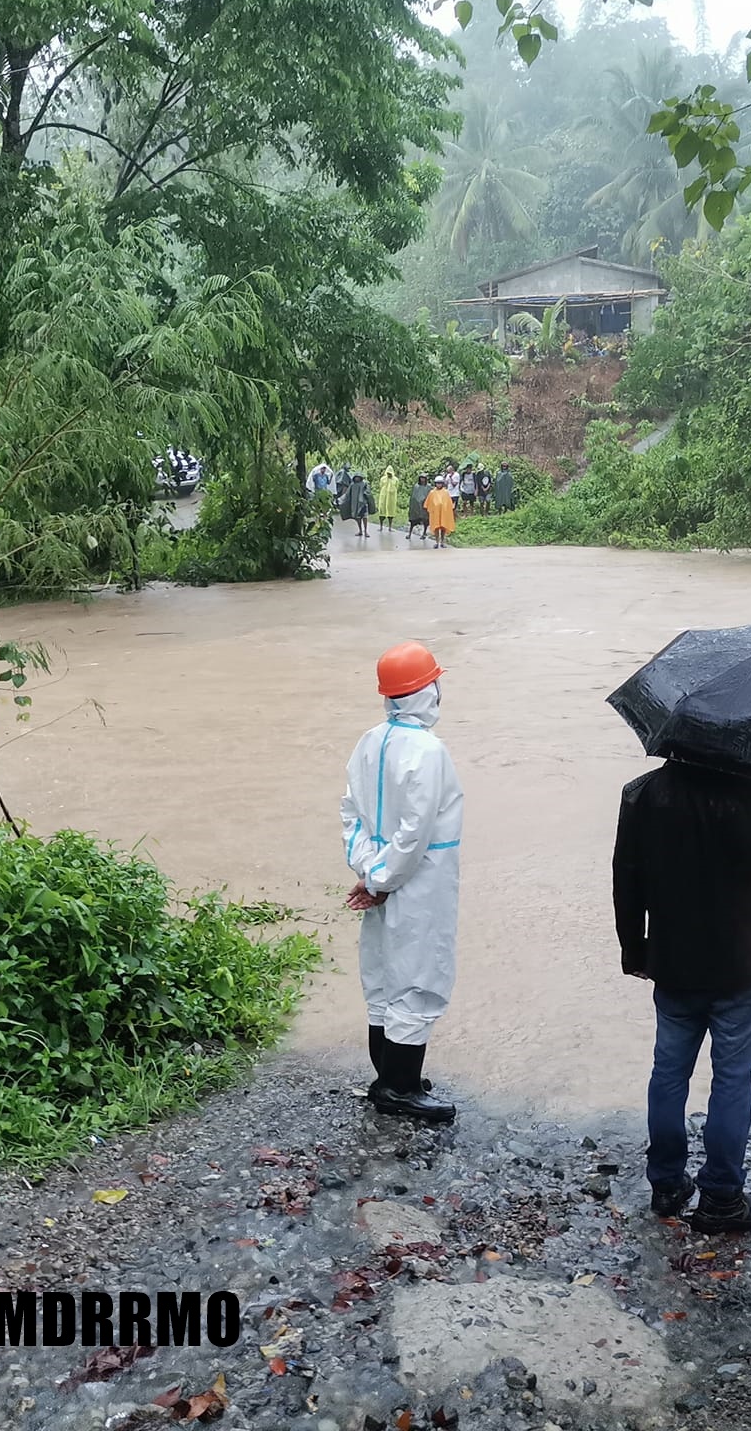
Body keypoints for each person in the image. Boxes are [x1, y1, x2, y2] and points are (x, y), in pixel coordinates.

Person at [613, 758, 751, 1233]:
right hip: (742, 968)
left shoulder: (641, 794)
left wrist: (634, 949)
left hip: (674, 965)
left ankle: (666, 1184)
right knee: (733, 1080)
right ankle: (721, 1198)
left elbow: (626, 878)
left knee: (669, 1073)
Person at [339, 642, 463, 1123]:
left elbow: (350, 813)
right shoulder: (429, 751)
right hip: (418, 884)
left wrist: (368, 872)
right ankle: (400, 1089)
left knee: (383, 974)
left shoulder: (368, 741)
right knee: (418, 979)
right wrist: (386, 880)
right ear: (424, 691)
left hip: (380, 876)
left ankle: (389, 1075)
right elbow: (415, 831)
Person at [425, 475, 456, 550]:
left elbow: (449, 504)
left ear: (442, 484)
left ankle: (442, 542)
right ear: (435, 484)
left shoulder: (446, 492)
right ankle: (436, 542)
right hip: (435, 513)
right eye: (437, 483)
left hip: (443, 513)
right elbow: (428, 504)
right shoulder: (432, 492)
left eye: (440, 483)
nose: (439, 485)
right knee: (436, 528)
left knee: (443, 527)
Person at [376, 467, 404, 532]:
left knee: (391, 513)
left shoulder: (395, 480)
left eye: (390, 473)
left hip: (391, 498)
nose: (389, 474)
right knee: (382, 512)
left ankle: (390, 527)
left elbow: (397, 487)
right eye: (388, 473)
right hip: (383, 497)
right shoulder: (383, 479)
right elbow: (380, 486)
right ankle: (381, 527)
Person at [408, 473, 432, 544]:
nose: (422, 479)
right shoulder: (416, 486)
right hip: (416, 507)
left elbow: (430, 496)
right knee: (413, 520)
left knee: (425, 521)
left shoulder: (428, 487)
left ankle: (424, 533)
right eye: (421, 478)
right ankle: (409, 534)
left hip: (424, 506)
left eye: (424, 478)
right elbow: (413, 497)